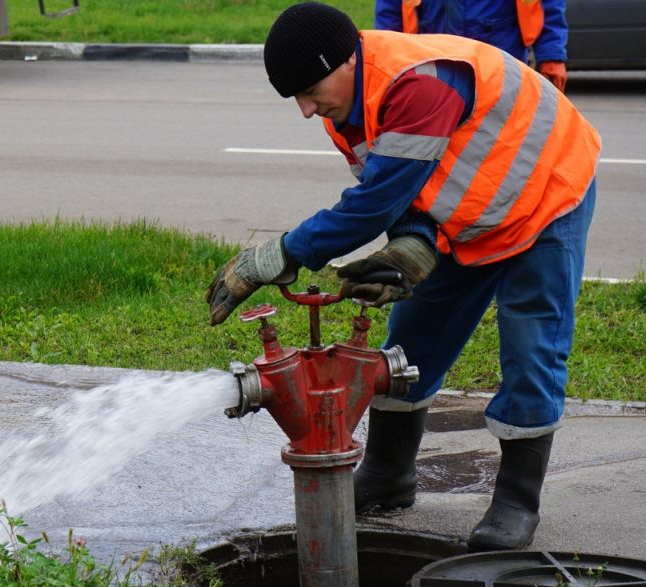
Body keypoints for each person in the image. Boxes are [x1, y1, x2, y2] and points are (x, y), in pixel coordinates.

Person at [205, 1, 600, 551]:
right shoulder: (345, 102)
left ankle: (515, 502)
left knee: (531, 346)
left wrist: (282, 253)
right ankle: (390, 475)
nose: (303, 109)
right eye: (294, 97)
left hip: (545, 196)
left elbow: (370, 204)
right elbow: (399, 186)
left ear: (345, 61)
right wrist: (414, 241)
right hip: (468, 215)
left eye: (309, 90)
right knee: (411, 341)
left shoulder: (417, 84)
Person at [375, 0, 569, 92]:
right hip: (433, 64)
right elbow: (389, 12)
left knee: (503, 146)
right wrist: (388, 65)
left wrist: (551, 56)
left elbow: (548, 5)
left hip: (502, 65)